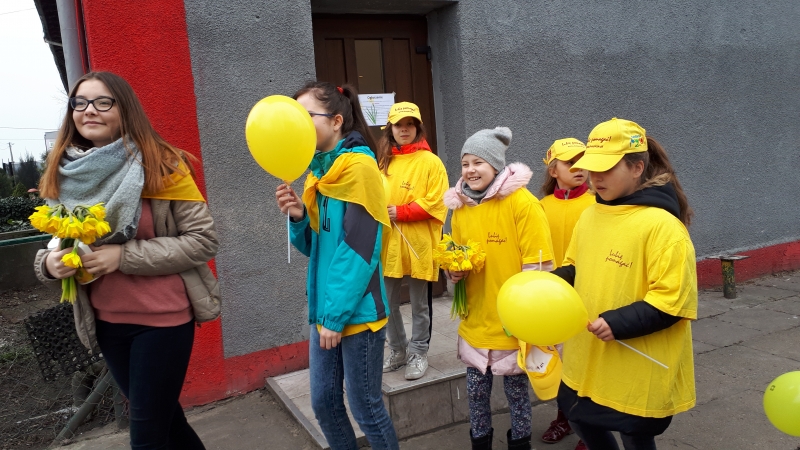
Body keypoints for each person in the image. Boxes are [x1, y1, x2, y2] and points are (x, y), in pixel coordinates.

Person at [34, 71, 218, 449]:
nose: (89, 110)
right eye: (80, 102)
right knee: (169, 424)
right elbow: (55, 240)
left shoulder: (162, 164)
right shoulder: (65, 172)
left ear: (125, 109)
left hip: (162, 322)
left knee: (146, 438)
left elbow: (203, 241)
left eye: (103, 102)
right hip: (107, 324)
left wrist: (123, 256)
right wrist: (49, 265)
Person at [554, 118, 697, 450]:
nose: (595, 177)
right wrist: (547, 285)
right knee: (578, 417)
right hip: (587, 354)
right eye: (592, 168)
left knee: (634, 434)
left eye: (606, 168)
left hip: (636, 363)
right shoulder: (590, 215)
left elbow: (672, 300)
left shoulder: (663, 227)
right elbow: (576, 267)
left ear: (637, 168)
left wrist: (617, 322)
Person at [274, 81, 399, 450]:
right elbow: (316, 247)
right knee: (324, 405)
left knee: (366, 408)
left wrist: (335, 316)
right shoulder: (318, 172)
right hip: (326, 308)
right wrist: (299, 216)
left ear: (336, 121)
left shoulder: (359, 169)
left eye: (305, 117)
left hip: (355, 312)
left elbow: (359, 249)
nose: (297, 126)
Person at [443, 127, 554, 450]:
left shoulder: (523, 204)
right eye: (465, 163)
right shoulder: (461, 207)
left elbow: (539, 267)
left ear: (495, 165)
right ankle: (481, 443)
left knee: (517, 393)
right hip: (476, 319)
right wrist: (454, 271)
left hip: (513, 322)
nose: (470, 170)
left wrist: (529, 317)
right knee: (476, 393)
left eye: (478, 162)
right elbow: (458, 253)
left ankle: (520, 443)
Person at [377, 102, 449, 380]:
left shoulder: (431, 162)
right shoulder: (383, 161)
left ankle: (419, 352)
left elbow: (438, 201)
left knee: (420, 304)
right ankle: (398, 350)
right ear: (390, 129)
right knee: (387, 302)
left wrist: (402, 211)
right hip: (388, 242)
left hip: (418, 242)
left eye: (410, 124)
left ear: (418, 128)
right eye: (399, 125)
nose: (404, 129)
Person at [538, 138, 595, 450]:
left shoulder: (596, 204)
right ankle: (564, 418)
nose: (579, 168)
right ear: (553, 170)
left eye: (582, 161)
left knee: (586, 363)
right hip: (553, 297)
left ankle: (591, 429)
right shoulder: (541, 207)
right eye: (570, 162)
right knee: (561, 362)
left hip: (588, 297)